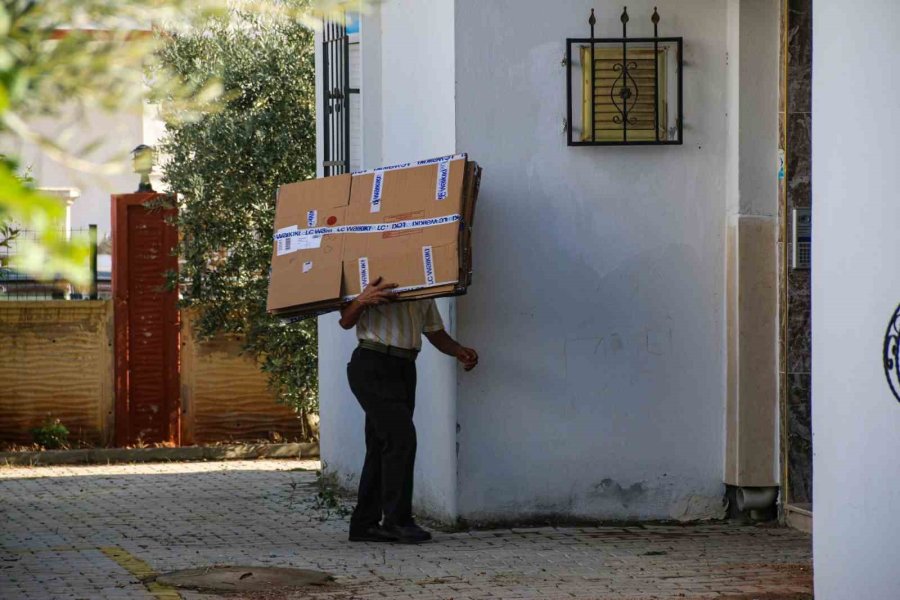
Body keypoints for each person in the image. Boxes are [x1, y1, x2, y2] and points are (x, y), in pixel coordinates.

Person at [339, 276, 479, 544]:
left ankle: (364, 524)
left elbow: (433, 331)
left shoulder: (424, 283)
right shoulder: (369, 279)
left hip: (404, 368)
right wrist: (362, 300)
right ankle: (397, 521)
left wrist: (458, 350)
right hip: (371, 363)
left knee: (382, 445)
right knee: (401, 439)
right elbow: (346, 321)